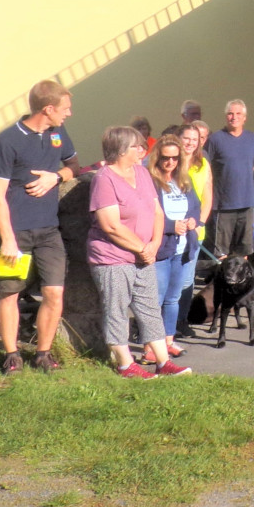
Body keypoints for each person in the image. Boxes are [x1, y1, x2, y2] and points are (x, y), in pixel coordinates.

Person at [0, 80, 81, 375]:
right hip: (16, 234)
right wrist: (7, 240)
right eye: (65, 109)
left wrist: (57, 176)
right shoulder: (7, 141)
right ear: (48, 109)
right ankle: (12, 354)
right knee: (9, 294)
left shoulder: (57, 132)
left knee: (54, 294)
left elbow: (75, 165)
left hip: (49, 231)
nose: (69, 114)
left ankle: (43, 353)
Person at [87, 126, 191, 378]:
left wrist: (154, 245)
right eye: (137, 147)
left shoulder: (142, 173)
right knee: (117, 308)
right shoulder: (104, 179)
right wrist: (142, 248)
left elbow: (157, 211)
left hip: (145, 255)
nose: (142, 151)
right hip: (112, 258)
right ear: (122, 150)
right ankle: (125, 364)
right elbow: (110, 225)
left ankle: (163, 361)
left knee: (149, 307)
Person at [145, 135, 200, 364]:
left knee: (173, 298)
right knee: (154, 299)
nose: (169, 163)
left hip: (183, 248)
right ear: (157, 158)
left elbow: (196, 207)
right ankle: (150, 346)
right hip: (161, 249)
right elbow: (146, 216)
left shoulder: (184, 181)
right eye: (165, 158)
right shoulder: (151, 182)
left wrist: (192, 221)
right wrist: (170, 226)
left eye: (174, 158)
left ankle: (168, 341)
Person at [205, 99, 254, 259]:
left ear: (244, 118)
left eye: (238, 114)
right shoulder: (215, 139)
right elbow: (206, 168)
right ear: (225, 116)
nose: (234, 117)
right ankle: (223, 283)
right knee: (221, 252)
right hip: (223, 205)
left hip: (247, 204)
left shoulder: (252, 139)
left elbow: (253, 166)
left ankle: (240, 283)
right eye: (230, 113)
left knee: (244, 250)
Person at [175, 123, 212, 339]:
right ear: (178, 138)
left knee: (188, 279)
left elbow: (208, 196)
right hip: (172, 230)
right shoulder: (169, 161)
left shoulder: (203, 164)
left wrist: (200, 223)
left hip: (194, 230)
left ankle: (182, 320)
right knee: (172, 279)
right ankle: (166, 322)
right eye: (186, 138)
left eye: (194, 139)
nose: (190, 143)